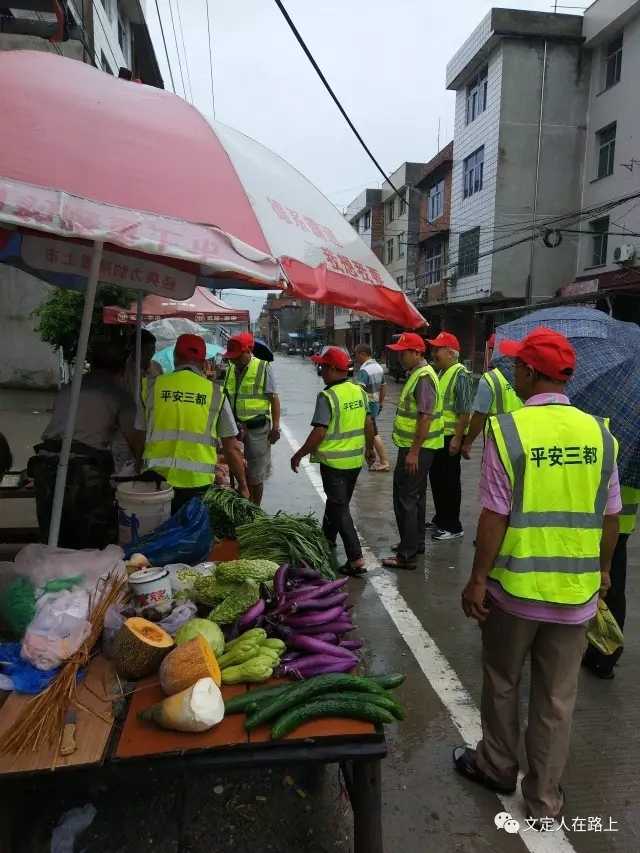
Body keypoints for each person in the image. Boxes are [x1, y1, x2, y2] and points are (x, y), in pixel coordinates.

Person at [453, 327, 620, 827]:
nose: (512, 375)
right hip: (575, 596)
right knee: (555, 698)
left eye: (516, 368)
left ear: (528, 372)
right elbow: (610, 518)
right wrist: (605, 570)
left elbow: (493, 518)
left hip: (515, 591)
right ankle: (544, 799)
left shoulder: (508, 431)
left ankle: (498, 767)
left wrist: (477, 579)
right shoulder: (600, 433)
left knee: (503, 681)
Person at [31, 341, 138, 549]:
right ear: (124, 369)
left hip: (44, 463)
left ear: (93, 364)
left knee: (54, 534)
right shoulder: (120, 397)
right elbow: (134, 440)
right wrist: (143, 469)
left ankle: (56, 577)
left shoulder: (69, 388)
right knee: (96, 538)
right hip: (83, 468)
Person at [134, 334, 248, 513]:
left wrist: (138, 468)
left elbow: (139, 436)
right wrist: (242, 485)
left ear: (175, 358)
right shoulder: (215, 393)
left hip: (155, 481)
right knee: (191, 536)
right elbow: (231, 448)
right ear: (204, 363)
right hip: (197, 485)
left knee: (156, 534)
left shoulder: (151, 388)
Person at [291, 347, 375, 577]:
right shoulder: (358, 391)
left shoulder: (327, 396)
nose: (321, 371)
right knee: (337, 503)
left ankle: (356, 558)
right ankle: (327, 538)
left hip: (334, 464)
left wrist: (299, 454)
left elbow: (319, 433)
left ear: (334, 369)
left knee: (340, 507)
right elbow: (368, 423)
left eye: (323, 367)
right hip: (354, 461)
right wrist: (369, 449)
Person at [380, 333, 443, 570]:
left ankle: (407, 555)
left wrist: (414, 452)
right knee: (416, 496)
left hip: (417, 448)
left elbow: (425, 417)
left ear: (417, 353)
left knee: (405, 496)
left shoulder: (424, 377)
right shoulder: (420, 374)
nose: (399, 356)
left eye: (403, 352)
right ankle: (415, 544)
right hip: (421, 447)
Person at [582, 482, 639, 679]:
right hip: (620, 523)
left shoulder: (620, 452)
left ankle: (602, 655)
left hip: (602, 521)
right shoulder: (630, 455)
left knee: (608, 588)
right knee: (613, 590)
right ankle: (603, 655)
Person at [223, 331, 280, 506]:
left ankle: (256, 508)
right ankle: (244, 505)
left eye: (237, 357)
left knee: (255, 473)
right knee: (238, 469)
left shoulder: (263, 367)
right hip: (235, 428)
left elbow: (274, 398)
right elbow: (225, 397)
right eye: (231, 357)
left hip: (257, 430)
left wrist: (275, 427)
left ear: (248, 352)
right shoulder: (231, 369)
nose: (233, 361)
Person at [426, 332, 472, 541]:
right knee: (438, 480)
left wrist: (457, 439)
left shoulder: (460, 374)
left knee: (449, 482)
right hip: (439, 436)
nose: (434, 353)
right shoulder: (444, 372)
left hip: (449, 437)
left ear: (450, 352)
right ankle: (441, 518)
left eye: (438, 349)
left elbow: (464, 411)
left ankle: (453, 526)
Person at [461, 333, 522, 460]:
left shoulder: (490, 379)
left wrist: (468, 443)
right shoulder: (526, 376)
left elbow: (478, 417)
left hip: (497, 440)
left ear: (493, 352)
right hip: (523, 438)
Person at [112, 329, 163, 475]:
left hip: (149, 430)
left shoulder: (157, 368)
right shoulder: (123, 371)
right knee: (122, 474)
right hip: (124, 433)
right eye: (147, 350)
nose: (151, 353)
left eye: (153, 349)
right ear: (134, 348)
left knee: (146, 472)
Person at [354, 342, 389, 472]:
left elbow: (359, 390)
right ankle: (372, 457)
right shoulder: (379, 367)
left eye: (357, 355)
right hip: (375, 404)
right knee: (371, 431)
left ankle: (384, 461)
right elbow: (384, 386)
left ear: (363, 354)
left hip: (367, 406)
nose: (356, 358)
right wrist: (381, 402)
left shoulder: (364, 370)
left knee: (373, 433)